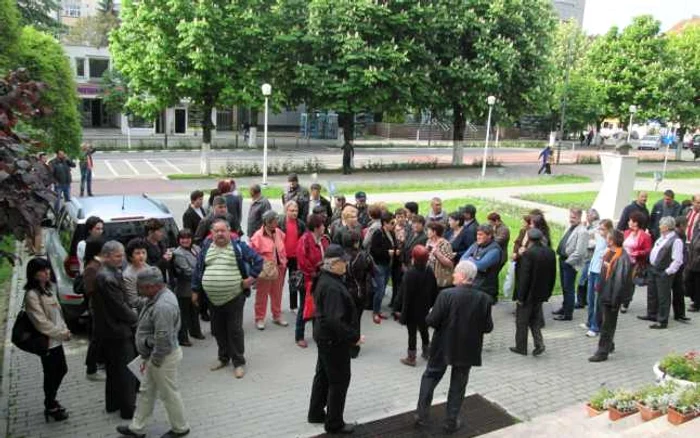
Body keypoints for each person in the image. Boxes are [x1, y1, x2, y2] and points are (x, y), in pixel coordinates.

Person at [415, 261, 493, 433]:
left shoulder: (446, 295)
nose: (453, 275)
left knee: (431, 376)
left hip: (443, 345)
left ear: (463, 276)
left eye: (455, 273)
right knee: (458, 384)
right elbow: (488, 327)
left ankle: (421, 415)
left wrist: (429, 313)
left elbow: (432, 321)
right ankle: (451, 421)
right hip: (468, 348)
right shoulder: (484, 299)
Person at [117, 267, 190, 438]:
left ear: (151, 287)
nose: (139, 291)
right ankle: (137, 427)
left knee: (168, 393)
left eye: (141, 288)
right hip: (156, 356)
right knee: (146, 391)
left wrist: (155, 360)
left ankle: (180, 428)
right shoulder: (159, 296)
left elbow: (163, 339)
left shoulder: (163, 306)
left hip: (162, 357)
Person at [192, 219, 263, 378]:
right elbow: (198, 269)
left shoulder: (238, 246)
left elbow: (258, 260)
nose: (220, 234)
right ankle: (223, 358)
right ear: (212, 233)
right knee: (217, 330)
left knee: (235, 330)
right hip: (212, 298)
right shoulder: (206, 247)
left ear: (229, 231)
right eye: (216, 231)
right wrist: (195, 290)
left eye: (223, 230)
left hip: (234, 297)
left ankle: (238, 362)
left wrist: (251, 279)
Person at [307, 244, 360, 435]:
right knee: (339, 380)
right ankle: (334, 423)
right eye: (343, 261)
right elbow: (334, 320)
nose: (346, 264)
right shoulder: (332, 287)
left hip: (324, 338)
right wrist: (353, 337)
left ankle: (315, 413)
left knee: (322, 375)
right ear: (334, 264)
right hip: (333, 341)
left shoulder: (326, 279)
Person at [93, 241, 139, 419]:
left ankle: (112, 404)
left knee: (113, 370)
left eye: (122, 255)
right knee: (126, 371)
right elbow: (119, 307)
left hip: (108, 330)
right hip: (118, 330)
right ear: (106, 256)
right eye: (118, 256)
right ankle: (128, 409)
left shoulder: (108, 273)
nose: (122, 259)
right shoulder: (108, 277)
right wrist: (135, 318)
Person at [24, 258, 71, 422]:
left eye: (48, 270)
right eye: (42, 271)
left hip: (57, 340)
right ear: (34, 274)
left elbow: (58, 313)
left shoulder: (48, 288)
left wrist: (64, 329)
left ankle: (51, 399)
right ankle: (50, 404)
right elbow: (41, 322)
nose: (47, 273)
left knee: (61, 369)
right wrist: (61, 333)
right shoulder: (32, 295)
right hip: (47, 342)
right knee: (51, 374)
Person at [589, 230, 635, 362]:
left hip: (611, 296)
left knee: (607, 325)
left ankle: (602, 352)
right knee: (605, 322)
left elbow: (620, 281)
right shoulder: (610, 252)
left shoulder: (622, 258)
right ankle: (610, 344)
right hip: (604, 292)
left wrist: (615, 300)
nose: (606, 240)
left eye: (608, 238)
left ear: (612, 241)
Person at [510, 229, 555, 356]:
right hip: (541, 293)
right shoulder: (550, 252)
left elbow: (525, 277)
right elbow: (552, 275)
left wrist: (520, 297)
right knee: (535, 320)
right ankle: (539, 344)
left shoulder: (529, 254)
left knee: (522, 321)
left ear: (529, 239)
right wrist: (548, 292)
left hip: (528, 294)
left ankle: (521, 347)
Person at [638, 217, 684, 329]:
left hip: (663, 271)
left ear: (667, 227)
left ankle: (662, 320)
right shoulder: (662, 238)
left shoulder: (676, 241)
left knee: (663, 296)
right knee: (652, 293)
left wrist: (668, 272)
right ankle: (652, 314)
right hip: (653, 269)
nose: (659, 227)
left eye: (661, 225)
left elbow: (677, 260)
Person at [398, 245, 437, 366]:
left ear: (413, 258)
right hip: (424, 307)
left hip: (411, 310)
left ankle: (411, 357)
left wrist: (402, 313)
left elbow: (405, 296)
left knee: (412, 333)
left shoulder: (410, 273)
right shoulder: (429, 270)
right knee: (424, 329)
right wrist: (431, 304)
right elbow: (434, 290)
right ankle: (427, 351)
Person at [295, 214, 330, 348]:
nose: (324, 227)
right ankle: (299, 335)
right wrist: (315, 271)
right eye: (322, 225)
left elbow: (328, 255)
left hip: (322, 278)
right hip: (309, 279)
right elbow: (302, 261)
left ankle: (318, 334)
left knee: (319, 307)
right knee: (304, 307)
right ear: (316, 227)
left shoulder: (324, 240)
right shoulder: (305, 240)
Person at [250, 210, 288, 330]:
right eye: (275, 220)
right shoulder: (257, 236)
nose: (277, 222)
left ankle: (277, 316)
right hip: (265, 270)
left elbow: (283, 247)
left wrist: (284, 261)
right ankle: (259, 318)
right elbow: (252, 254)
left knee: (277, 294)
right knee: (262, 295)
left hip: (279, 268)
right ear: (267, 222)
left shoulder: (279, 232)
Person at [340, 228, 373, 358]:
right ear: (356, 242)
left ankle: (343, 345)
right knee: (355, 320)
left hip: (342, 291)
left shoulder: (339, 255)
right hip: (358, 292)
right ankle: (353, 347)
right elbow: (373, 271)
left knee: (344, 319)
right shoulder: (363, 256)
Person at [553, 208, 588, 321]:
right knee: (564, 287)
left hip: (570, 263)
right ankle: (564, 307)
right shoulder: (569, 227)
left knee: (569, 288)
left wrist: (568, 262)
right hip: (562, 259)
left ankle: (568, 314)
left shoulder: (582, 231)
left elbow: (580, 252)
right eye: (570, 217)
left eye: (574, 218)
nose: (571, 219)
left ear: (579, 217)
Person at [171, 229, 204, 346]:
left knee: (195, 311)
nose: (185, 240)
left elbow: (203, 262)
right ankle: (183, 338)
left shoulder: (196, 248)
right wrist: (202, 273)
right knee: (184, 315)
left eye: (188, 238)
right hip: (184, 288)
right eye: (182, 238)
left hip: (196, 287)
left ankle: (195, 332)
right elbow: (187, 271)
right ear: (178, 240)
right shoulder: (178, 253)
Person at [583, 219, 614, 337]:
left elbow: (605, 256)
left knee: (597, 300)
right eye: (600, 228)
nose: (600, 231)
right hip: (593, 270)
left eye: (603, 229)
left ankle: (596, 327)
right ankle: (590, 322)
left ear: (609, 230)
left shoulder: (610, 242)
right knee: (590, 299)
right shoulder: (599, 238)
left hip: (601, 273)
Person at [83, 237, 106, 382]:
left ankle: (100, 363)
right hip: (98, 308)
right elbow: (90, 290)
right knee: (97, 338)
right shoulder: (91, 268)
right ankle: (91, 368)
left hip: (104, 307)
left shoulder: (99, 264)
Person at [460, 224, 503, 303]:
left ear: (489, 236)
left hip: (486, 289)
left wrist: (470, 259)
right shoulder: (476, 244)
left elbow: (480, 265)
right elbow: (462, 259)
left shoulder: (494, 250)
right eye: (477, 234)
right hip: (473, 285)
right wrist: (473, 260)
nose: (478, 237)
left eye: (481, 235)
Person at [369, 211, 398, 324]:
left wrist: (395, 251)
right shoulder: (378, 233)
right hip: (379, 265)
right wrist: (387, 252)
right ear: (384, 223)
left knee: (383, 287)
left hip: (388, 264)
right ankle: (375, 312)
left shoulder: (392, 233)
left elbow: (393, 245)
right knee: (380, 290)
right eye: (391, 223)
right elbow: (374, 251)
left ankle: (378, 310)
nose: (393, 225)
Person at [621, 211, 652, 312]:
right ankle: (619, 299)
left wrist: (638, 253)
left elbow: (648, 250)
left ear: (637, 222)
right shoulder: (627, 232)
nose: (629, 222)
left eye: (632, 220)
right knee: (620, 281)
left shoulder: (644, 236)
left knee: (629, 283)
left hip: (635, 263)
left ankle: (625, 303)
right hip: (623, 261)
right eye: (630, 220)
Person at [279, 201, 306, 313]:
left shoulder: (300, 224)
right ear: (286, 211)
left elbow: (305, 239)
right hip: (282, 257)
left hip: (295, 258)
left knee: (294, 282)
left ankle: (293, 306)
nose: (294, 213)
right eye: (292, 210)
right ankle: (276, 308)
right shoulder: (280, 222)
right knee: (278, 283)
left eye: (296, 211)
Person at [122, 238, 150, 311]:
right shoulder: (128, 275)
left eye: (143, 252)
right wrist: (154, 298)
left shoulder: (148, 267)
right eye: (137, 253)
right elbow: (133, 301)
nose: (141, 256)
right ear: (130, 256)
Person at [426, 222, 455, 292]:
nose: (427, 232)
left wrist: (437, 254)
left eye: (428, 230)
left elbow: (450, 264)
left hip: (441, 282)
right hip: (429, 279)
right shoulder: (429, 241)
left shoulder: (445, 244)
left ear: (434, 232)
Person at [672, 216, 690, 323]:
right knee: (675, 290)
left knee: (679, 290)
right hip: (674, 266)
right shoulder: (675, 236)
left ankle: (680, 313)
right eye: (686, 225)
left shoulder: (682, 235)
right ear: (682, 225)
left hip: (680, 266)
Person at [686, 194, 700, 312]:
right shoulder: (688, 211)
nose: (699, 205)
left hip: (697, 250)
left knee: (696, 277)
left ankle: (697, 302)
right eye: (698, 202)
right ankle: (692, 297)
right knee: (688, 275)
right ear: (693, 202)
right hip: (687, 244)